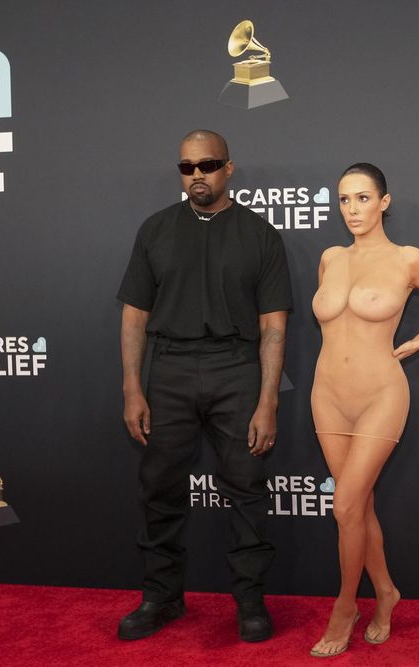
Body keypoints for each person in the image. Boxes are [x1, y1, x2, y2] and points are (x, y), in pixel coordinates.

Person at [115, 130, 292, 643]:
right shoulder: (155, 230)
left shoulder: (261, 235)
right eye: (187, 167)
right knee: (160, 490)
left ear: (229, 168)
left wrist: (268, 400)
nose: (197, 175)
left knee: (247, 491)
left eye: (208, 164)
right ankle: (161, 597)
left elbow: (274, 324)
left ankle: (251, 601)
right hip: (168, 368)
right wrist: (132, 386)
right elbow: (134, 316)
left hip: (236, 369)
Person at [308, 163, 419, 657]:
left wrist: (416, 342)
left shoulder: (409, 259)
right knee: (359, 508)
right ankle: (388, 593)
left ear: (384, 202)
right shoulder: (330, 257)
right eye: (344, 201)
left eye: (362, 198)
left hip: (381, 394)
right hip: (327, 394)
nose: (352, 209)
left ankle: (345, 605)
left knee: (346, 505)